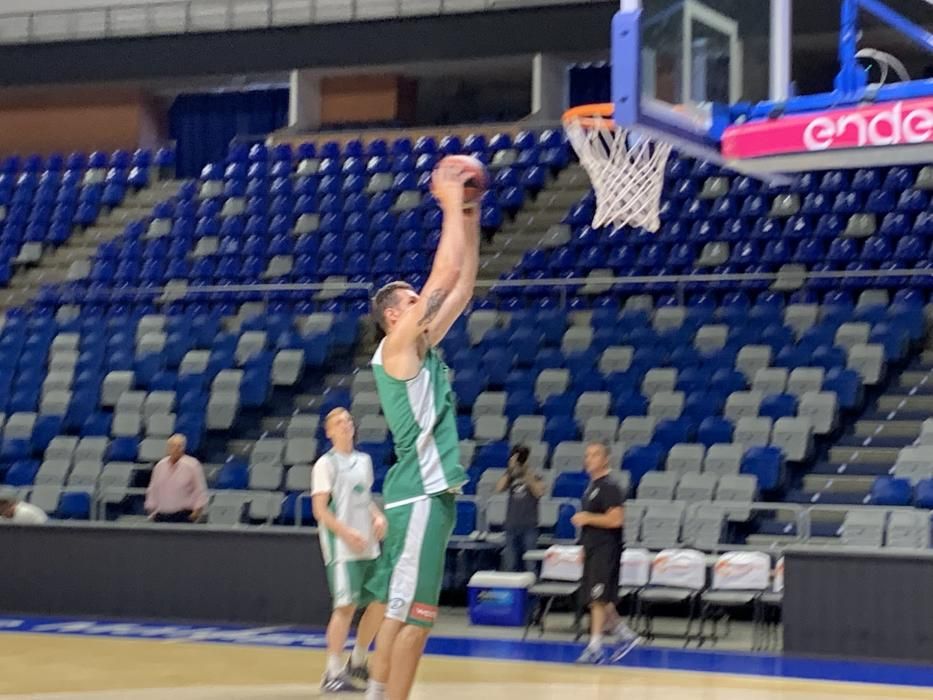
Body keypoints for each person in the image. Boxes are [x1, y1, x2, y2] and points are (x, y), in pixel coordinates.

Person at [366, 160, 478, 700]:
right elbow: (444, 276)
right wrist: (450, 201)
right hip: (417, 494)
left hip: (429, 496)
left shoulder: (421, 345)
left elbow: (465, 286)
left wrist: (471, 214)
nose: (421, 303)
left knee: (414, 620)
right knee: (406, 621)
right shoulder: (397, 347)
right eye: (411, 301)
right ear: (393, 316)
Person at [311, 407, 388, 693]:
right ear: (329, 431)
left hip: (368, 544)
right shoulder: (325, 464)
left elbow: (363, 498)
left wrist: (377, 515)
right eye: (338, 422)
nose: (345, 425)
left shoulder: (364, 460)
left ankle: (358, 659)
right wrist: (346, 532)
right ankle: (332, 672)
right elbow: (320, 510)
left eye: (348, 421)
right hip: (342, 547)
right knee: (345, 607)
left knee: (381, 600)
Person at [572, 441, 640, 664]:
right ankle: (624, 634)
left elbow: (616, 520)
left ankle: (596, 647)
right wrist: (584, 546)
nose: (589, 458)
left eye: (594, 455)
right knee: (598, 598)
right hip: (593, 548)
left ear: (605, 459)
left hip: (606, 549)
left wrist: (587, 518)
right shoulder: (592, 486)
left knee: (598, 600)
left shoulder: (610, 486)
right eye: (587, 455)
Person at [495, 445, 545, 572]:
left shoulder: (535, 475)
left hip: (529, 526)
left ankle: (531, 591)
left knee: (530, 563)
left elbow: (539, 492)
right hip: (511, 525)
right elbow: (499, 489)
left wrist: (526, 473)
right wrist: (510, 470)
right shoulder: (510, 477)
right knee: (509, 562)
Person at [144, 434, 208, 523]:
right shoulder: (160, 465)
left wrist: (196, 512)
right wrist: (151, 510)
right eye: (172, 446)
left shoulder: (193, 465)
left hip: (183, 515)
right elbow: (153, 489)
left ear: (183, 448)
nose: (175, 449)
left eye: (178, 446)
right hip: (161, 515)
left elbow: (200, 490)